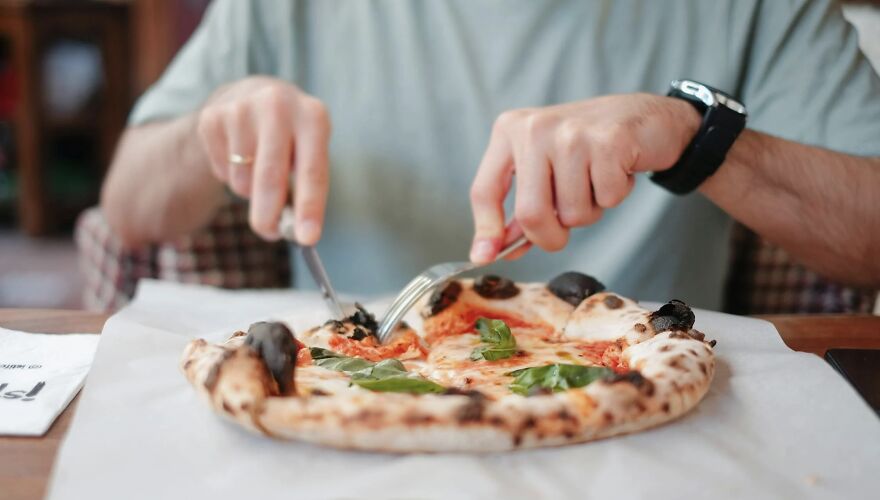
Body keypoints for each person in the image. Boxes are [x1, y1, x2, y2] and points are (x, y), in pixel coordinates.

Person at [101, 0, 880, 309]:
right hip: (351, 399)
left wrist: (692, 134)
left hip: (646, 419)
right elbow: (128, 212)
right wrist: (216, 127)